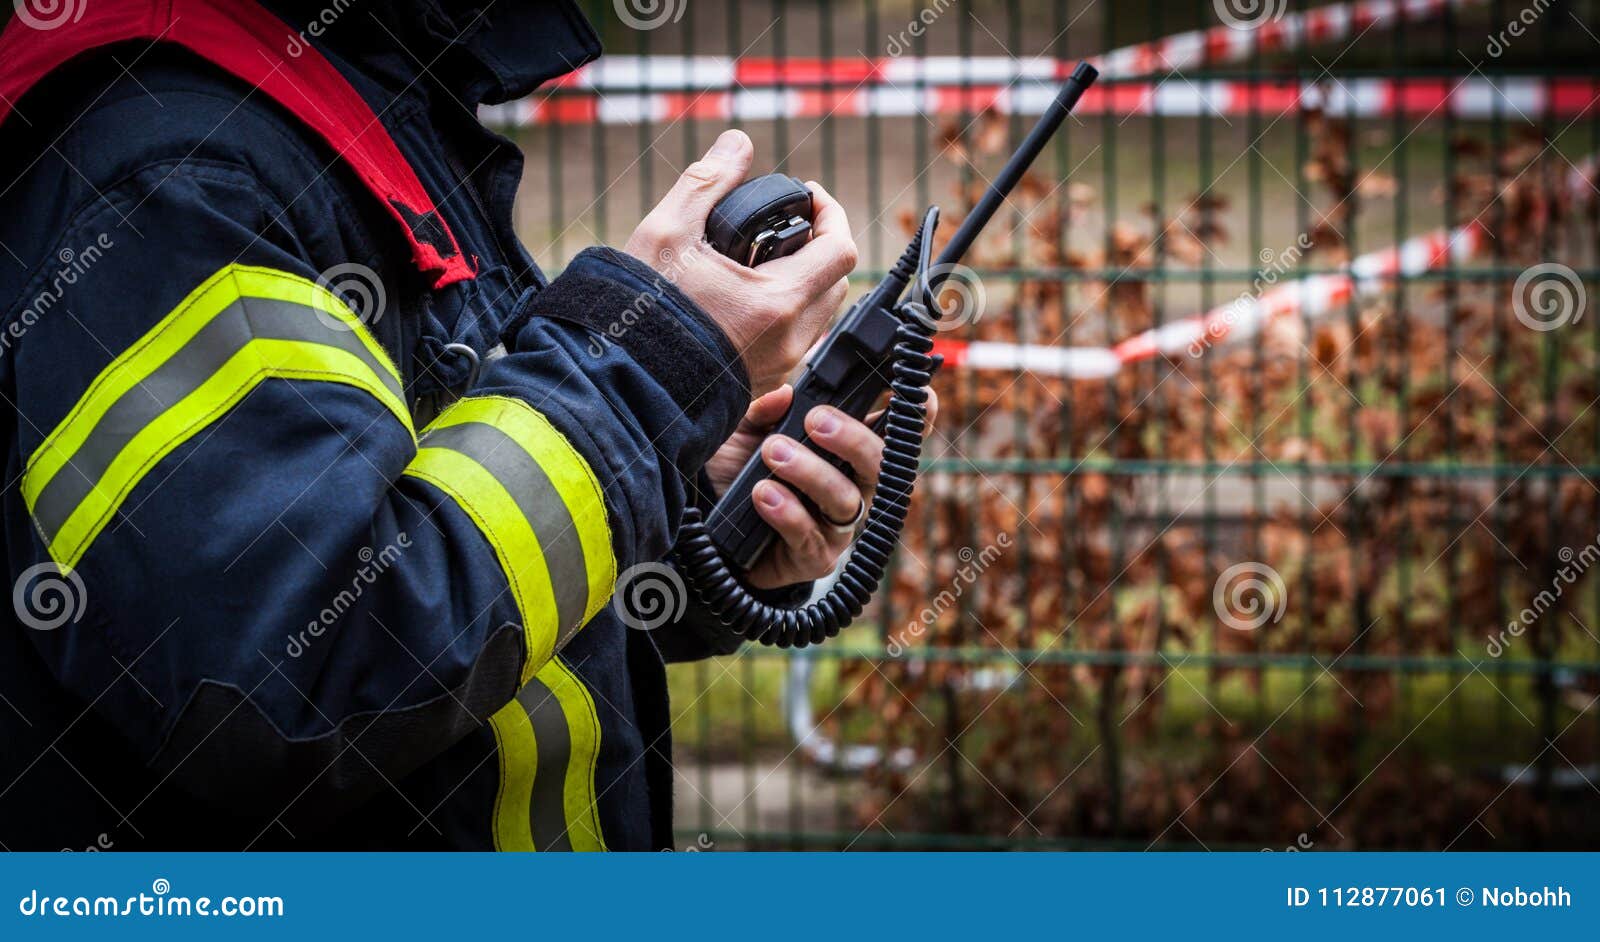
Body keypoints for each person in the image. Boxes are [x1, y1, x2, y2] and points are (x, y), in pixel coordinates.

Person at [0, 0, 927, 850]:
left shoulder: (334, 108)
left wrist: (696, 520)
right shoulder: (174, 174)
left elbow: (438, 520)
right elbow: (297, 678)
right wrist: (650, 374)